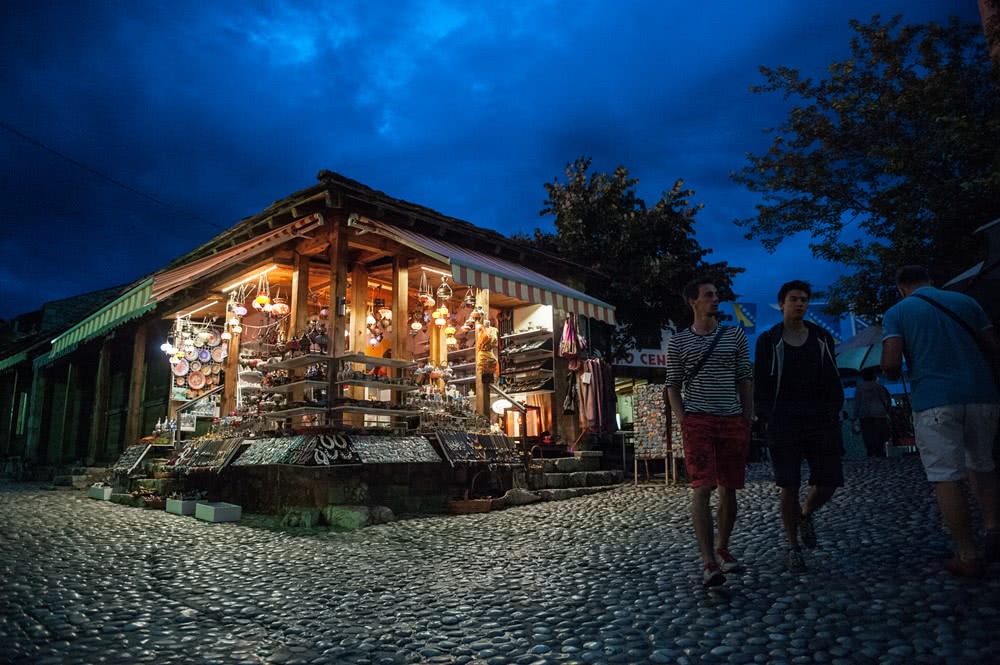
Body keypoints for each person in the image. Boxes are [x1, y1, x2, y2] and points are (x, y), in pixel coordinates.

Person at [881, 265, 1000, 578]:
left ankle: (967, 554)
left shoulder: (898, 312)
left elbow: (891, 364)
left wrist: (895, 368)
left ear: (901, 288)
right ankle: (992, 528)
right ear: (931, 280)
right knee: (983, 464)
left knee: (946, 475)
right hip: (982, 394)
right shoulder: (966, 303)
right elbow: (993, 347)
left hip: (935, 401)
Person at [665, 277, 753, 587]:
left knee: (729, 486)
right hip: (698, 420)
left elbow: (745, 377)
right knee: (702, 487)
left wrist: (747, 415)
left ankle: (723, 547)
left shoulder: (734, 336)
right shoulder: (678, 341)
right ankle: (708, 561)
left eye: (716, 295)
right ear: (693, 301)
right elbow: (672, 385)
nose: (716, 300)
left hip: (731, 419)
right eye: (709, 295)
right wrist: (683, 419)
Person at [754, 280, 844, 573]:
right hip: (784, 423)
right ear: (781, 304)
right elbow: (761, 383)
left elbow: (832, 376)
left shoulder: (821, 337)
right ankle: (793, 546)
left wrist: (833, 409)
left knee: (828, 482)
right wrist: (767, 416)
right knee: (788, 486)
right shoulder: (769, 340)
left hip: (819, 420)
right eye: (793, 299)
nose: (800, 304)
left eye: (804, 299)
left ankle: (805, 514)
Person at [853, 367, 892, 457]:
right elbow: (884, 400)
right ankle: (880, 452)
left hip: (865, 415)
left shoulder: (859, 389)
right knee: (879, 435)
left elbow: (857, 404)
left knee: (868, 435)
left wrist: (854, 418)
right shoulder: (879, 387)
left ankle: (870, 452)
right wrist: (886, 411)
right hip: (879, 414)